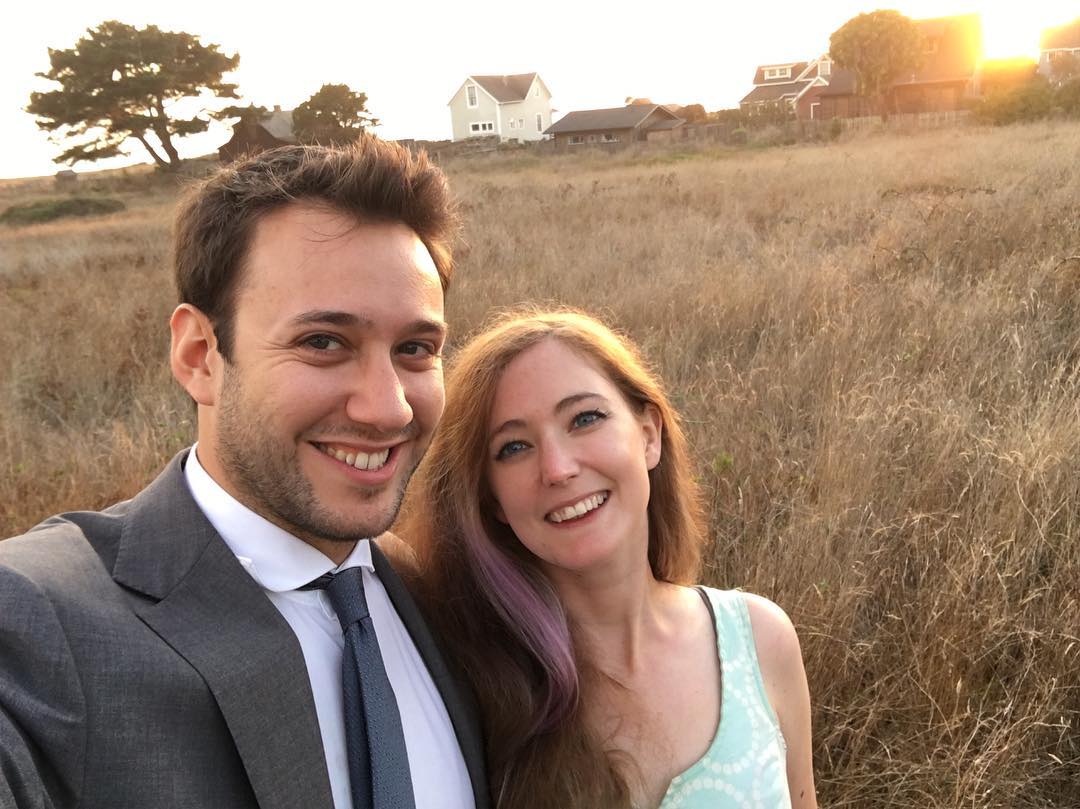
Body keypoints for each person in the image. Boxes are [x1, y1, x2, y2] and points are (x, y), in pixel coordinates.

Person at [0, 140, 490, 809]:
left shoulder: (443, 599)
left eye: (415, 349)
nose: (387, 407)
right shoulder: (38, 620)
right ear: (200, 354)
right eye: (323, 342)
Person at [404, 309, 818, 809]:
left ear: (649, 434)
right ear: (493, 502)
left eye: (585, 419)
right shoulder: (469, 685)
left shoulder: (760, 640)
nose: (557, 469)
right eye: (514, 447)